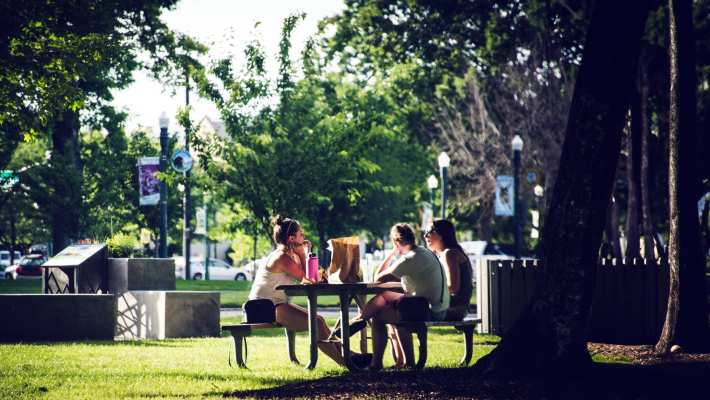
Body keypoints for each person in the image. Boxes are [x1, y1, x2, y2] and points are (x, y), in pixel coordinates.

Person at [334, 223, 449, 370]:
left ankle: (375, 360)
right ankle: (360, 320)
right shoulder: (423, 252)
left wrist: (392, 253)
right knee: (385, 296)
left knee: (378, 317)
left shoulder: (409, 259)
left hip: (430, 311)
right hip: (434, 305)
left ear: (396, 242)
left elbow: (378, 277)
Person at [247, 215, 347, 365]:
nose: (304, 236)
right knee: (317, 324)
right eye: (301, 234)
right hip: (261, 308)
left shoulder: (290, 255)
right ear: (291, 239)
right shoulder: (282, 258)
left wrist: (302, 253)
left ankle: (349, 357)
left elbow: (312, 277)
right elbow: (309, 279)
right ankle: (345, 363)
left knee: (319, 321)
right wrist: (303, 253)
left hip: (275, 305)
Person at [424, 219, 473, 321]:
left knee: (407, 312)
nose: (425, 236)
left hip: (456, 308)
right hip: (451, 305)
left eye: (429, 232)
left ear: (441, 234)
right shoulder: (446, 254)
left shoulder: (449, 254)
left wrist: (428, 291)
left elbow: (453, 287)